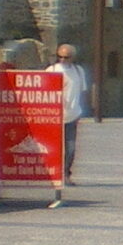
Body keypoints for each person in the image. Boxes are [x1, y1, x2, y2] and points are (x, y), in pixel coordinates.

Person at [53, 42, 93, 181]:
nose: (63, 60)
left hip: (73, 114)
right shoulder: (51, 70)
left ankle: (66, 174)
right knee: (54, 148)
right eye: (60, 57)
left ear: (73, 57)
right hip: (54, 116)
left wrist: (82, 109)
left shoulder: (78, 71)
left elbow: (83, 91)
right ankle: (54, 174)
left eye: (66, 57)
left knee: (70, 148)